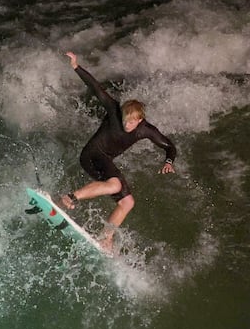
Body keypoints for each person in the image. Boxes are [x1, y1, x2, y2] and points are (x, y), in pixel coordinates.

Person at [60, 52, 176, 252]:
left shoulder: (146, 130)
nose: (127, 124)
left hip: (104, 160)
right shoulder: (114, 110)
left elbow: (169, 145)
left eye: (132, 121)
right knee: (115, 185)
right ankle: (70, 197)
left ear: (140, 120)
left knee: (127, 203)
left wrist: (169, 162)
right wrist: (76, 66)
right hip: (91, 155)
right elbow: (96, 88)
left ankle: (105, 238)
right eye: (125, 119)